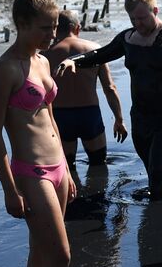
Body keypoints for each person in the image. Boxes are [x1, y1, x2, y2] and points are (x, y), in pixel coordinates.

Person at [0, 0, 75, 267]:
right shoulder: (5, 69)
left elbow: (49, 117)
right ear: (21, 25)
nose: (51, 36)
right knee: (61, 257)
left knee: (40, 251)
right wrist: (9, 189)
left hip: (58, 168)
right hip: (30, 172)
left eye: (54, 28)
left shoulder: (42, 61)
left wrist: (68, 168)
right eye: (44, 29)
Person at [57, 0, 162, 199]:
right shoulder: (127, 39)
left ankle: (160, 225)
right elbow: (100, 54)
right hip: (140, 118)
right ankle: (157, 215)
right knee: (152, 174)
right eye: (133, 19)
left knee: (157, 174)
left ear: (155, 10)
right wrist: (73, 61)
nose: (138, 24)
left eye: (143, 18)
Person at [44, 10, 127, 168]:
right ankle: (97, 192)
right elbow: (109, 88)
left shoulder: (45, 55)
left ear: (56, 29)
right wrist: (119, 119)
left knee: (67, 168)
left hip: (60, 116)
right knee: (99, 165)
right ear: (77, 28)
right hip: (89, 114)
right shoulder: (94, 50)